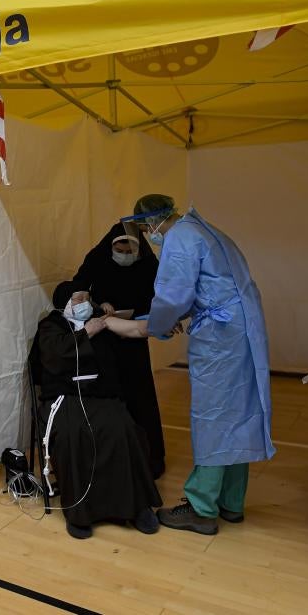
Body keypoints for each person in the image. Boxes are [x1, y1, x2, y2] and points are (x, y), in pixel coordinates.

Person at [126, 194, 275, 536]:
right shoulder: (206, 230)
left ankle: (201, 508)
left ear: (151, 224)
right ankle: (230, 502)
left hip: (221, 337)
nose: (149, 236)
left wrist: (156, 326)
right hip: (242, 331)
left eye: (146, 229)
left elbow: (172, 295)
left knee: (213, 416)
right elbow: (214, 285)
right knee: (238, 412)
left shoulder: (179, 237)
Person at [34, 282, 162, 539]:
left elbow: (132, 333)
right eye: (78, 298)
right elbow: (53, 358)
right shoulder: (51, 325)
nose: (85, 303)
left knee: (123, 428)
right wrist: (86, 333)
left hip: (99, 394)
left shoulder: (99, 321)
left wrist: (163, 323)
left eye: (87, 298)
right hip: (66, 397)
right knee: (73, 433)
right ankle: (79, 512)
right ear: (64, 302)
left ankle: (136, 506)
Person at [73, 221, 165, 478]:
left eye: (129, 252)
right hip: (105, 340)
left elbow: (160, 296)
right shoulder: (97, 259)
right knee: (111, 398)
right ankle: (111, 460)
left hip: (135, 338)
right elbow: (78, 289)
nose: (124, 256)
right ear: (110, 246)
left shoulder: (148, 265)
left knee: (141, 396)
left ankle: (149, 460)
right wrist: (98, 303)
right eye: (119, 250)